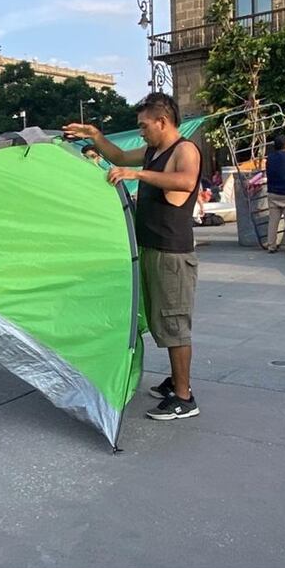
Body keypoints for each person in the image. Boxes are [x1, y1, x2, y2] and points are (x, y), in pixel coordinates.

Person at [63, 92, 201, 421]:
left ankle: (184, 398)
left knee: (174, 323)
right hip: (151, 247)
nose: (141, 131)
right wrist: (96, 135)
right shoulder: (155, 151)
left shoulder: (185, 150)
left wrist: (138, 175)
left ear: (162, 122)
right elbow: (122, 157)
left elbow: (185, 180)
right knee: (160, 321)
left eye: (144, 125)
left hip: (172, 252)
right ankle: (175, 382)